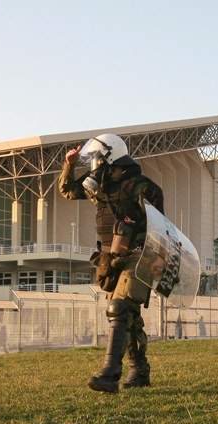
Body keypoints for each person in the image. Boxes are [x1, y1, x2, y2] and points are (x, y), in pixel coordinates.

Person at [59, 133, 164, 393]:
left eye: (96, 157)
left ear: (111, 157)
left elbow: (160, 225)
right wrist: (69, 165)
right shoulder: (98, 184)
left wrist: (160, 256)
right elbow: (68, 191)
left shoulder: (143, 187)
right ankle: (139, 370)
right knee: (128, 316)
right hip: (110, 256)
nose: (93, 163)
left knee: (118, 308)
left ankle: (109, 375)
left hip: (139, 255)